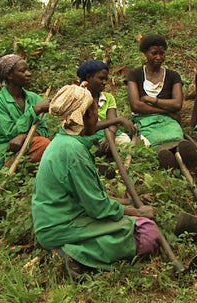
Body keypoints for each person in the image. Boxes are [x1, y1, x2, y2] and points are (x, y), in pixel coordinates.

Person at [32, 82, 160, 279]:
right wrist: (137, 211)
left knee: (133, 223)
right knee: (146, 231)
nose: (97, 116)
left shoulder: (66, 142)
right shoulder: (73, 152)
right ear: (83, 116)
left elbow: (89, 198)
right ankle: (74, 254)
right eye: (93, 111)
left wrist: (128, 202)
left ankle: (73, 249)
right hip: (61, 226)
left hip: (59, 219)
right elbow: (97, 208)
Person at [126, 34, 196, 170]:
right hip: (145, 120)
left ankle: (182, 158)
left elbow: (177, 104)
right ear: (144, 53)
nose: (159, 57)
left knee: (175, 134)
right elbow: (136, 105)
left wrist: (153, 100)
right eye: (154, 53)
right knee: (152, 139)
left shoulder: (172, 76)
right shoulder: (135, 74)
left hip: (167, 120)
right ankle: (167, 158)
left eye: (162, 53)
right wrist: (166, 109)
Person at [0, 54, 50, 181]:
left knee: (46, 144)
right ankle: (3, 173)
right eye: (22, 71)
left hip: (31, 145)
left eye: (28, 70)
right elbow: (10, 133)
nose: (28, 74)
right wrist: (35, 110)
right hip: (5, 148)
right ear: (10, 75)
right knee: (43, 145)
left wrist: (23, 137)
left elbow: (43, 130)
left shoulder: (34, 98)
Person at [76, 60, 137, 155]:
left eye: (106, 79)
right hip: (86, 135)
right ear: (88, 77)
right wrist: (119, 120)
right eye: (101, 78)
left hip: (107, 133)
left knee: (125, 142)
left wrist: (111, 136)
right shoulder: (77, 98)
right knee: (84, 148)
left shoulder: (108, 98)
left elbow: (112, 120)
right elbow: (87, 127)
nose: (104, 82)